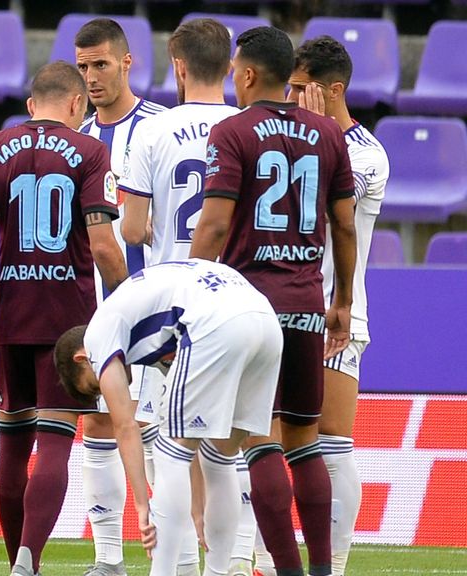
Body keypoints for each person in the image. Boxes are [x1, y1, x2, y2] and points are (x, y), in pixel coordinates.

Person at [0, 61, 144, 576]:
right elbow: (102, 246)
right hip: (69, 321)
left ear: (31, 106)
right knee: (55, 441)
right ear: (78, 104)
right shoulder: (92, 151)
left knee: (11, 447)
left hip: (9, 314)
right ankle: (27, 562)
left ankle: (18, 564)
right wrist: (126, 308)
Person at [189, 26, 358, 576]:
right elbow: (345, 225)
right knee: (306, 442)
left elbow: (213, 226)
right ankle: (323, 570)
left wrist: (191, 290)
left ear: (248, 74)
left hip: (249, 307)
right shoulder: (329, 134)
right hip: (308, 301)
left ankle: (285, 569)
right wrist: (342, 300)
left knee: (261, 443)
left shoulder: (232, 132)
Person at [117, 18, 253, 576]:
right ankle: (235, 559)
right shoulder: (248, 125)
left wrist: (150, 233)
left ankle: (172, 566)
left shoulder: (152, 129)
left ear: (177, 65)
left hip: (172, 303)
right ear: (229, 67)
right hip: (236, 297)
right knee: (228, 445)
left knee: (170, 444)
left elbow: (130, 227)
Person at [249, 36, 386, 576]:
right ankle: (261, 560)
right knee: (266, 440)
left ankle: (338, 563)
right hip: (280, 306)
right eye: (289, 86)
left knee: (330, 441)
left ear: (334, 90)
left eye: (303, 89)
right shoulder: (297, 139)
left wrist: (312, 135)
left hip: (336, 311)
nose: (292, 97)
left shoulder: (368, 155)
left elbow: (338, 219)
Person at [54, 259, 282, 576]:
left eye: (96, 384)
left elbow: (125, 425)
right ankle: (220, 571)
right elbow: (192, 440)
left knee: (167, 453)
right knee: (220, 457)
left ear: (83, 358)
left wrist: (142, 505)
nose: (108, 389)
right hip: (265, 321)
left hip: (216, 323)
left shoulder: (98, 336)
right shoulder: (153, 336)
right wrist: (197, 508)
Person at [73, 18, 168, 576]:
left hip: (156, 306)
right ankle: (108, 560)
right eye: (83, 67)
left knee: (159, 427)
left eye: (101, 65)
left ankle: (172, 552)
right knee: (102, 423)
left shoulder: (160, 127)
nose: (91, 77)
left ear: (128, 63)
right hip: (94, 305)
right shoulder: (77, 135)